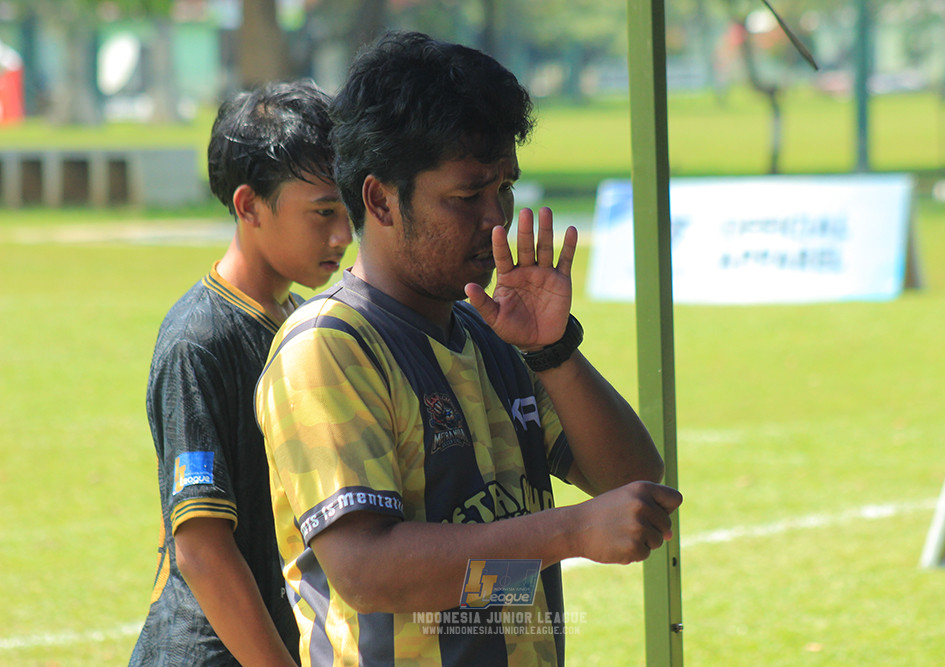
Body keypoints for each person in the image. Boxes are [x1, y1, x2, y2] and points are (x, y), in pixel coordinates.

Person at [254, 32, 682, 667]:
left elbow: (632, 480)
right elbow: (368, 575)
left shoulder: (494, 333)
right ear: (379, 199)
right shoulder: (328, 349)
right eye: (467, 195)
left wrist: (555, 351)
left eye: (505, 187)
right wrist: (569, 532)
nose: (497, 218)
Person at [130, 80, 352, 667]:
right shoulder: (197, 340)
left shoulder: (305, 323)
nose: (344, 235)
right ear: (249, 205)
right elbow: (201, 549)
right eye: (324, 212)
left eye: (348, 209)